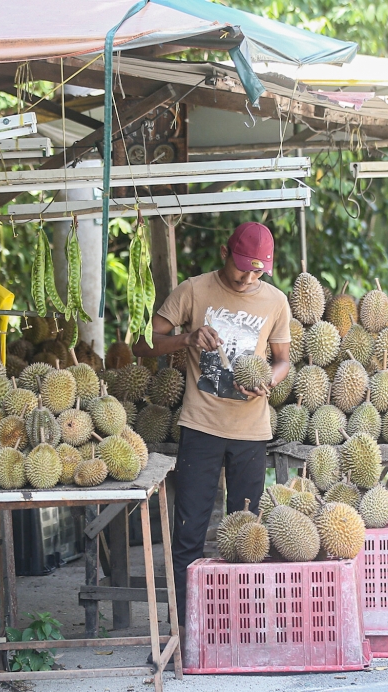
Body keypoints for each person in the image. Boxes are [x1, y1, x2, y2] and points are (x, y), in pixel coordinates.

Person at [132, 221, 292, 630]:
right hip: (200, 427)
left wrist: (268, 384)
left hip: (251, 434)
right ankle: (188, 628)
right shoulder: (194, 290)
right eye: (243, 268)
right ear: (225, 252)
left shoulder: (275, 302)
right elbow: (142, 343)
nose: (249, 277)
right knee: (189, 533)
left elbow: (283, 360)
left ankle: (242, 626)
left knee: (247, 536)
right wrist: (186, 339)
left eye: (258, 271)